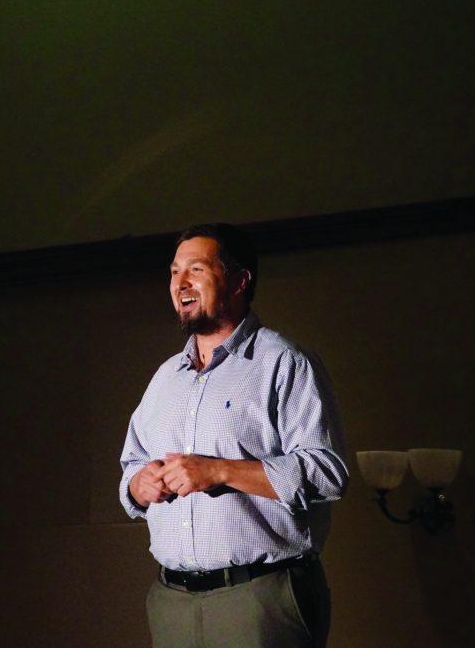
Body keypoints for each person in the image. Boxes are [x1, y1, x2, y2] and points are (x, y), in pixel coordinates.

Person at [119, 223, 347, 647]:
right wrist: (139, 484)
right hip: (173, 602)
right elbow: (129, 469)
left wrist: (219, 471)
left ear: (240, 281)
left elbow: (326, 473)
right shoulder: (166, 378)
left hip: (258, 598)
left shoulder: (284, 362)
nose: (179, 283)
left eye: (196, 269)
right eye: (173, 272)